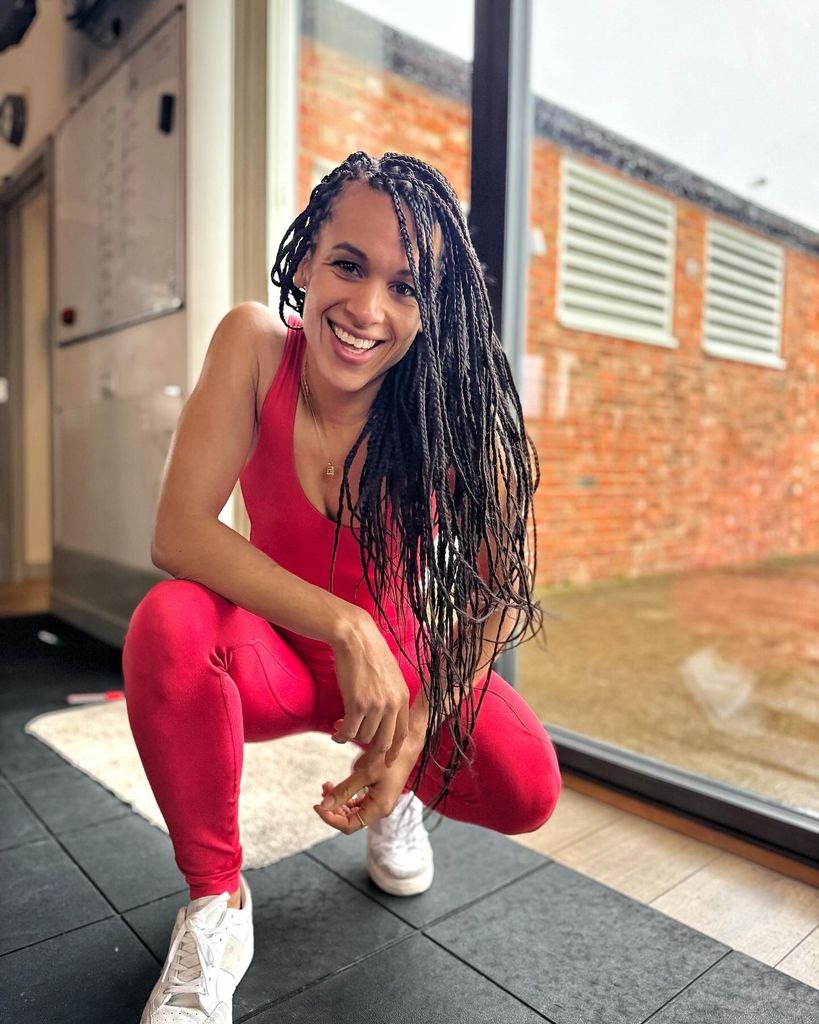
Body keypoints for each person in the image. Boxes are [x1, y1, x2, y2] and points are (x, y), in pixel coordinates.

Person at [123, 151, 562, 1024]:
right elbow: (179, 532)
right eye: (348, 265)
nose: (365, 310)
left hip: (398, 685)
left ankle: (386, 800)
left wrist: (411, 734)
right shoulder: (252, 346)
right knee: (167, 624)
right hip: (275, 659)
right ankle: (216, 908)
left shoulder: (455, 408)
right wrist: (346, 627)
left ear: (431, 309)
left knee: (527, 790)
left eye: (405, 287)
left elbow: (495, 593)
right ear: (307, 258)